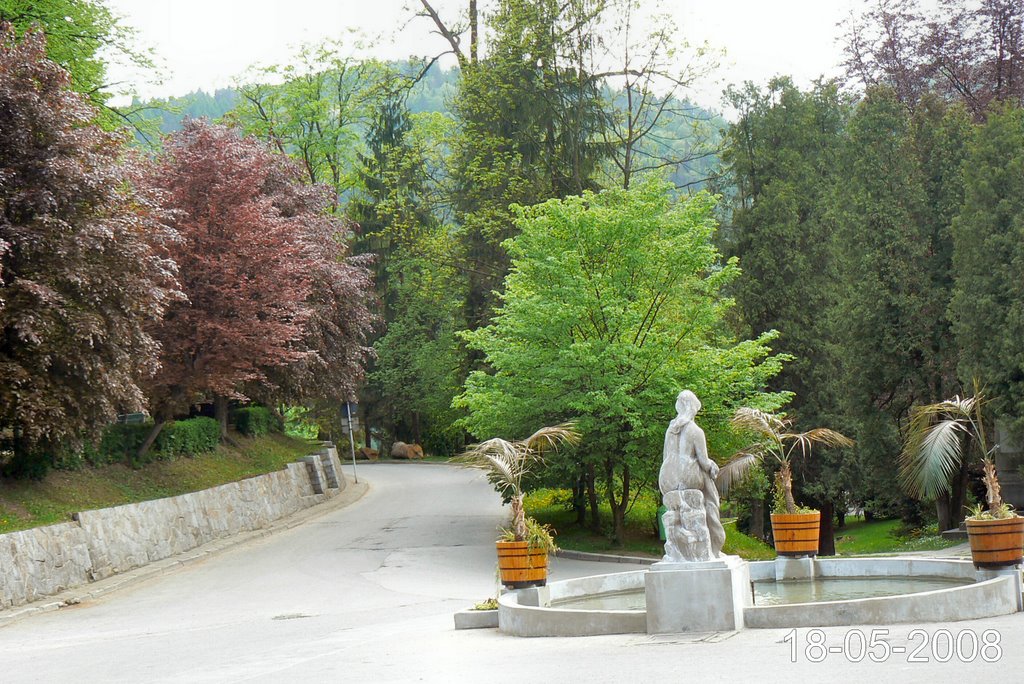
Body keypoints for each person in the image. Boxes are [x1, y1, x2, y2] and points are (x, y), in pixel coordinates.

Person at [659, 390, 725, 557]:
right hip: (688, 478)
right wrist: (712, 467)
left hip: (666, 479)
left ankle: (682, 550)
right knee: (708, 482)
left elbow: (666, 456)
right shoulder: (695, 431)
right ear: (694, 408)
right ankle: (712, 549)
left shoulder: (670, 429)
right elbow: (704, 461)